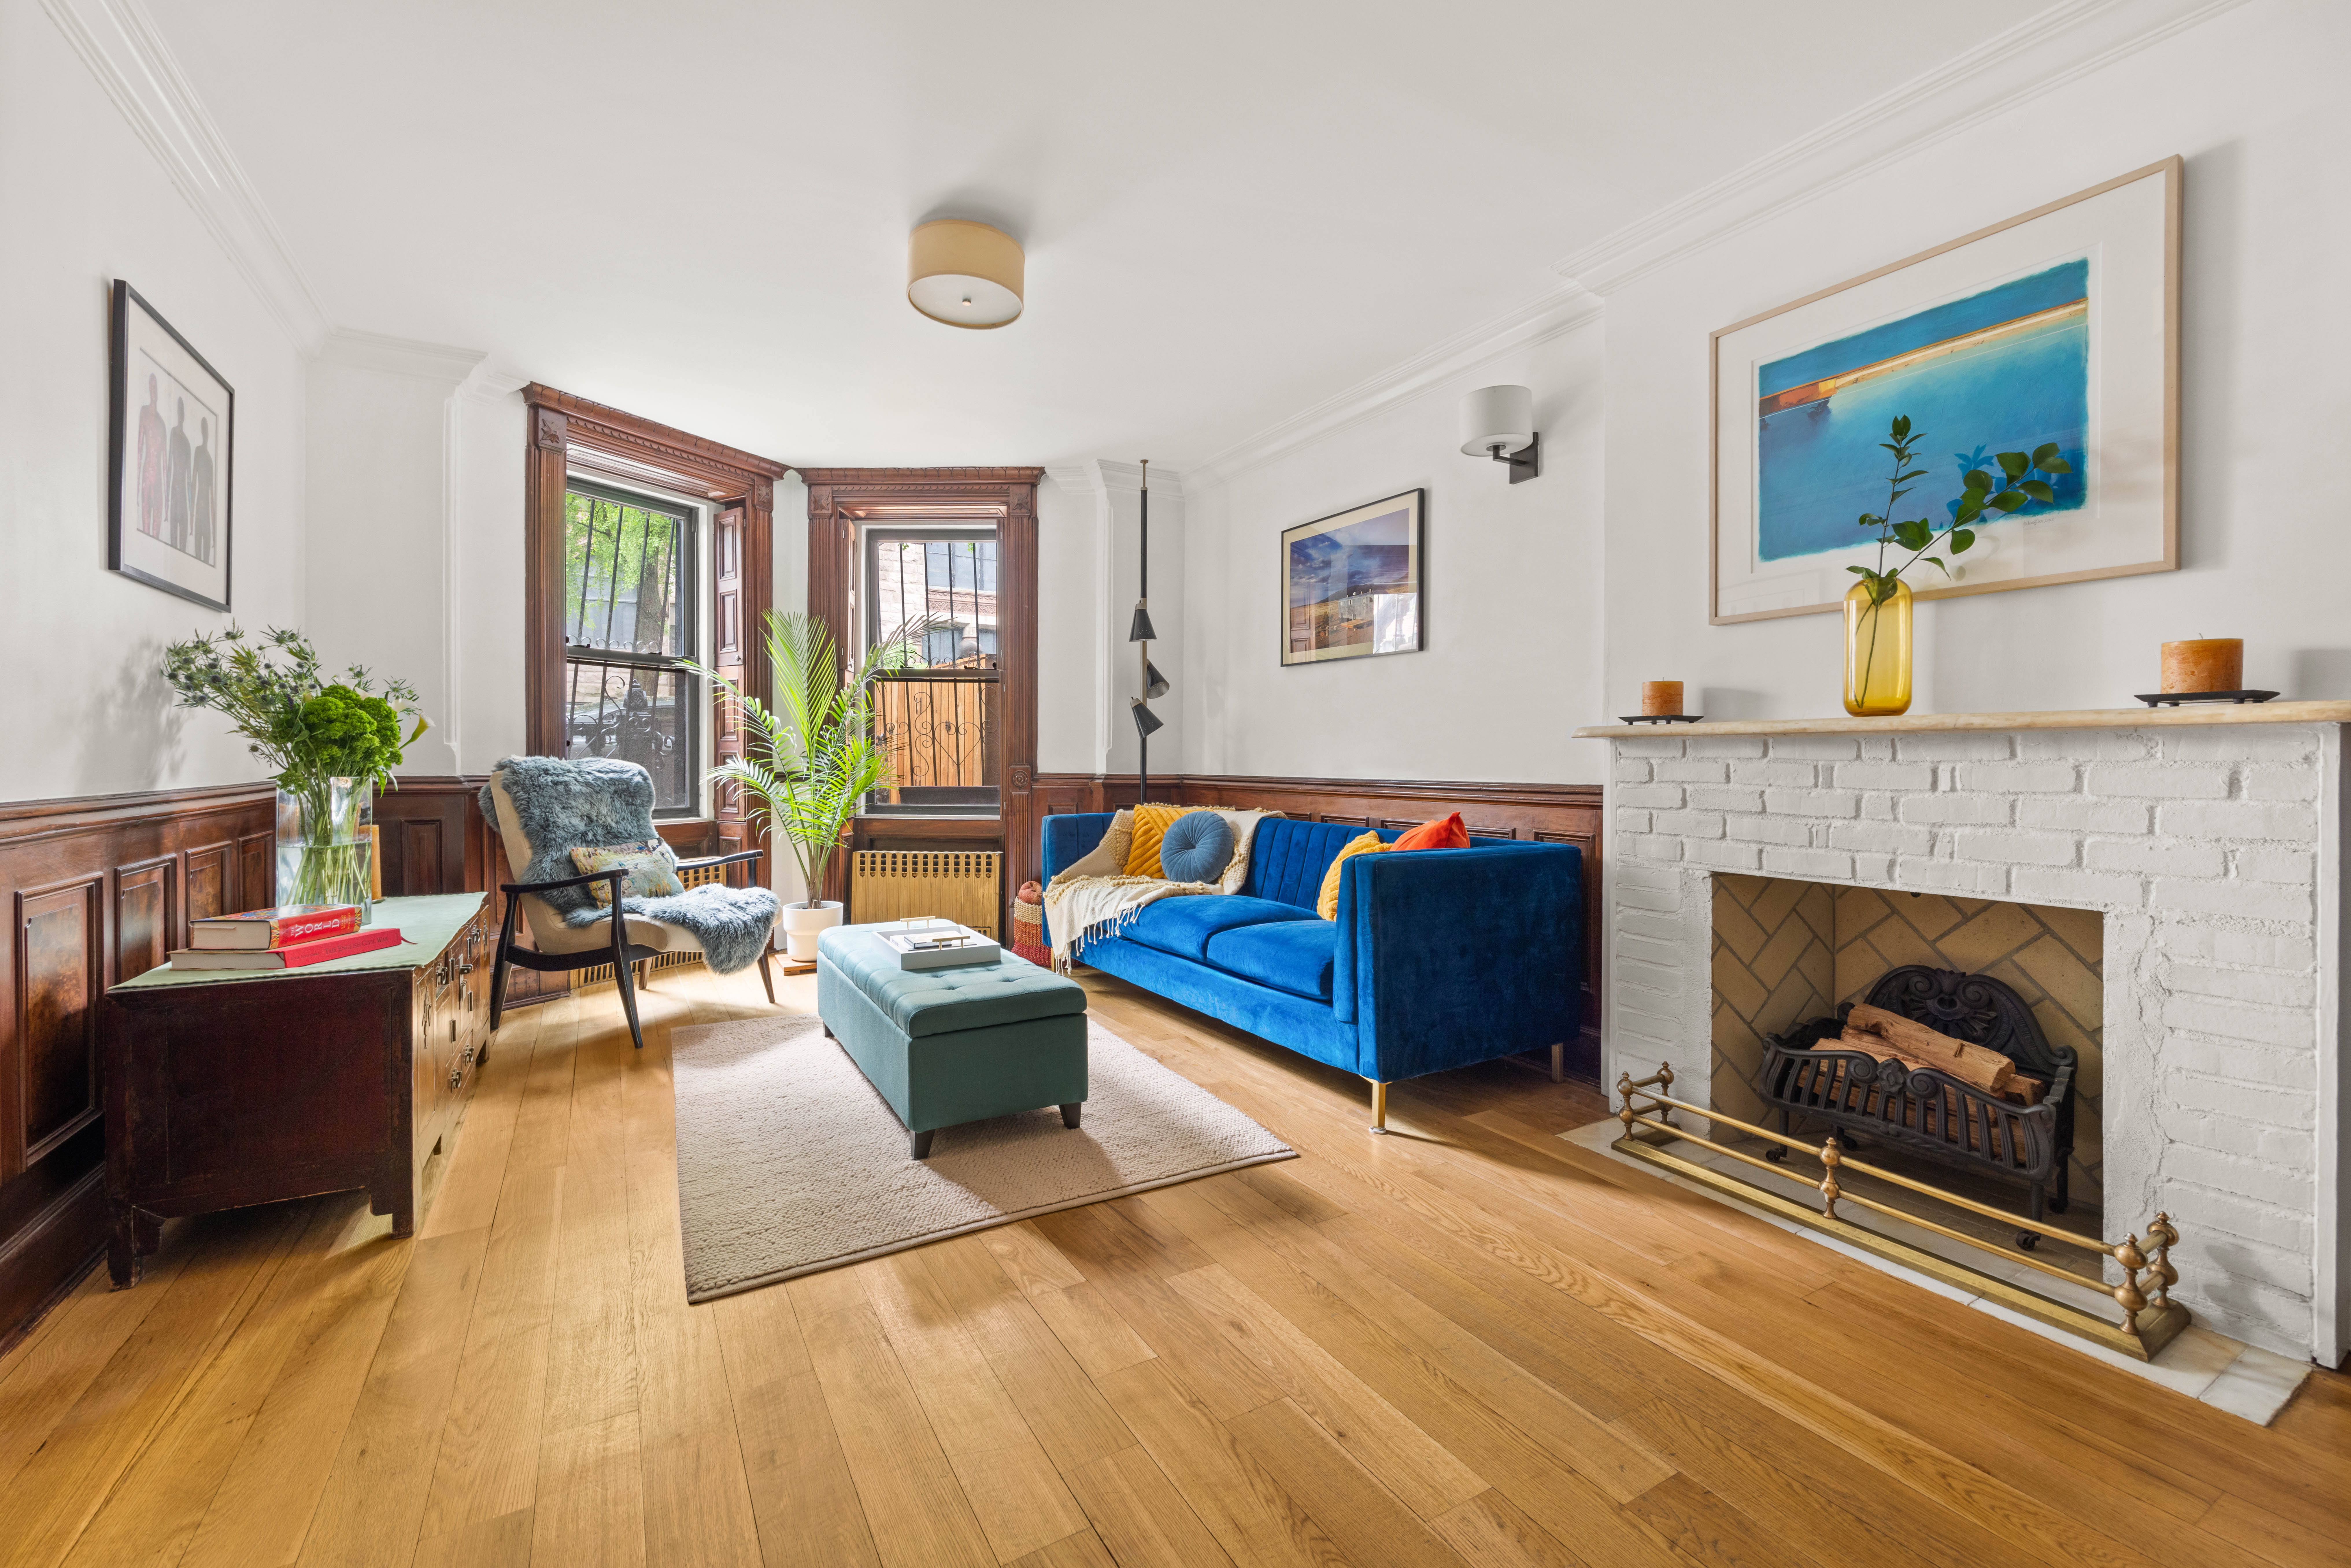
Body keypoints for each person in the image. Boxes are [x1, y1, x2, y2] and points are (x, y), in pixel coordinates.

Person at [136, 374, 165, 538]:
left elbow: (165, 466)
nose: (154, 390)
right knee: (146, 534)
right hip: (147, 481)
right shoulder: (144, 412)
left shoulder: (162, 424)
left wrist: (167, 503)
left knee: (156, 537)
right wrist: (137, 484)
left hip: (158, 485)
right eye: (151, 386)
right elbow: (139, 451)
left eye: (156, 386)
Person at [165, 397, 192, 552]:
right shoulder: (174, 433)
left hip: (182, 495)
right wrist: (167, 500)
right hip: (175, 495)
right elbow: (169, 465)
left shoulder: (188, 443)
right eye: (179, 410)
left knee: (182, 547)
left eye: (182, 411)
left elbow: (189, 481)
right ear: (177, 413)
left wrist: (191, 510)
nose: (181, 414)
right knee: (173, 544)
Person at [191, 416, 216, 564]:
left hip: (206, 514)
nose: (205, 433)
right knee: (197, 559)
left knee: (205, 560)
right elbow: (194, 483)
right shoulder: (199, 452)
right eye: (204, 429)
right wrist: (192, 515)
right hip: (200, 511)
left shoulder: (210, 460)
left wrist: (214, 531)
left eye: (207, 430)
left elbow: (212, 499)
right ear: (202, 432)